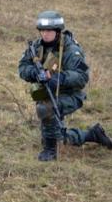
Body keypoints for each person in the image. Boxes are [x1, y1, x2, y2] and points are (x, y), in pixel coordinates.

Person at [18, 10, 112, 161]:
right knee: (57, 137)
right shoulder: (36, 47)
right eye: (42, 30)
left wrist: (58, 78)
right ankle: (92, 134)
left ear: (57, 31)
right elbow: (22, 68)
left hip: (71, 95)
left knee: (45, 109)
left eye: (49, 31)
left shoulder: (71, 50)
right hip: (48, 93)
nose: (45, 34)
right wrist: (35, 74)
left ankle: (50, 151)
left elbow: (82, 77)